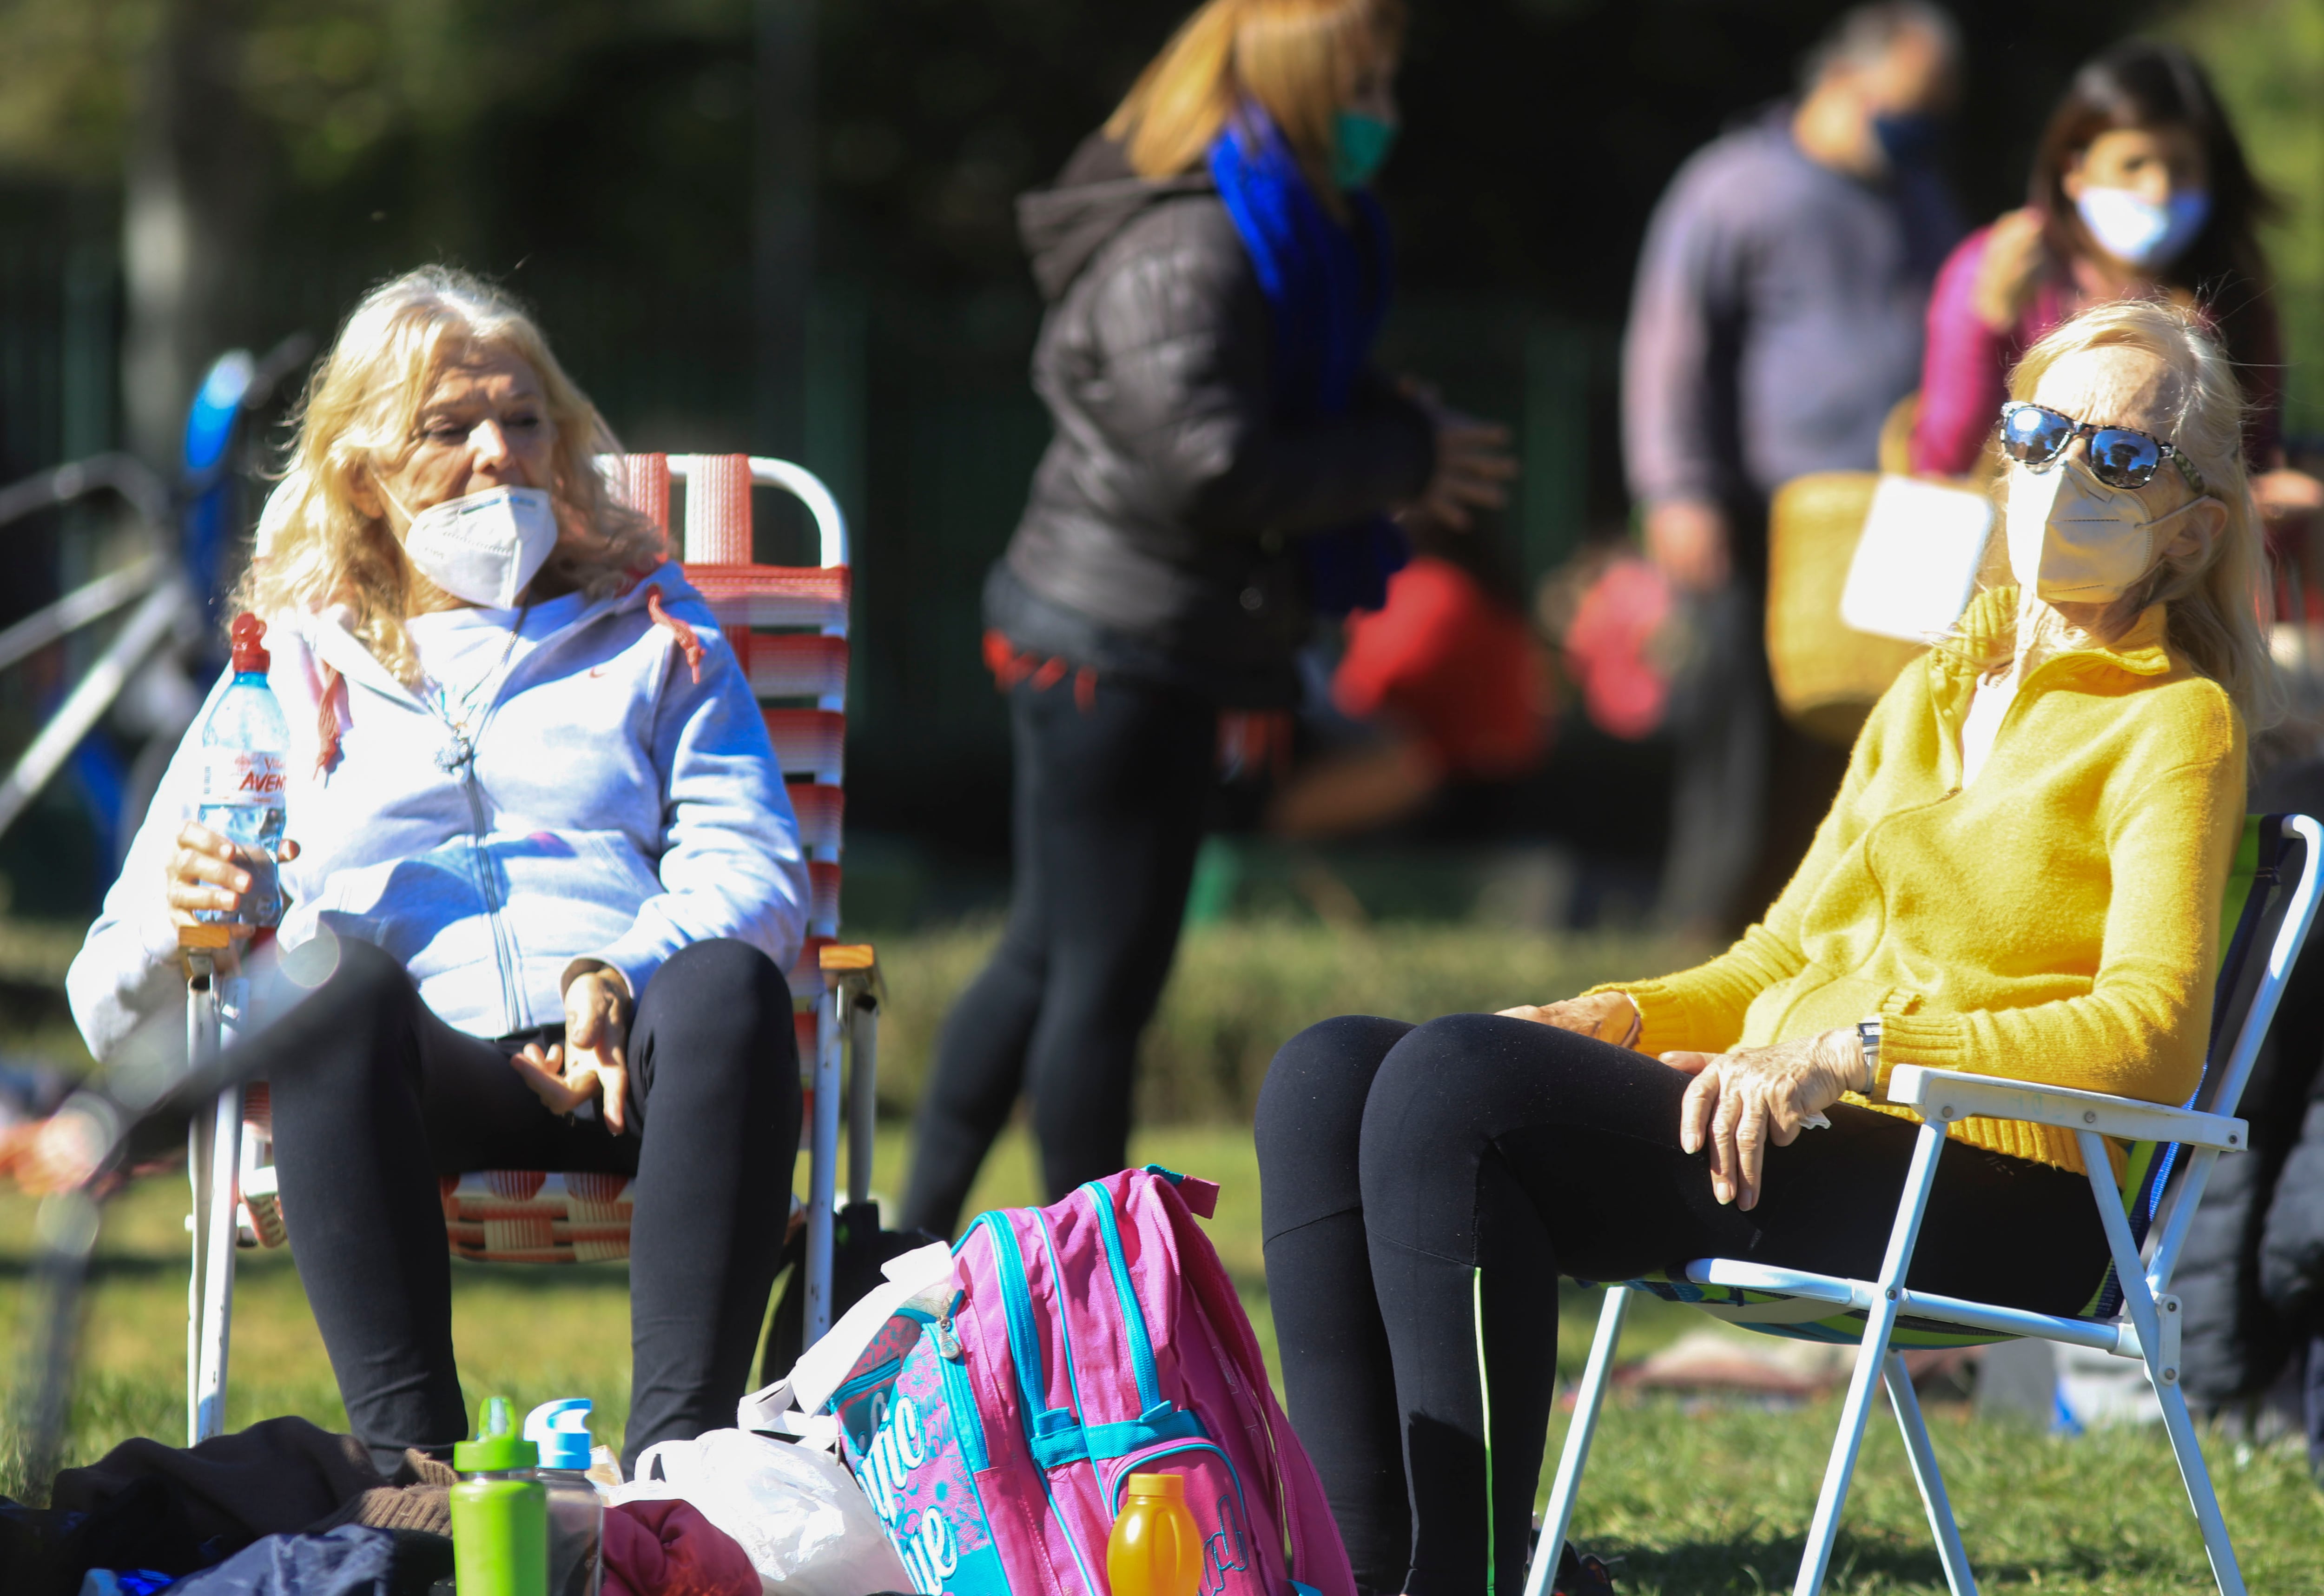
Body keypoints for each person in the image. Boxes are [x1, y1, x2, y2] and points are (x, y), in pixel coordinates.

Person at [1257, 299, 2269, 1595]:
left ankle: (1473, 1577)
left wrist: (1855, 1053)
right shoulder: (1936, 687)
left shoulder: (2176, 723)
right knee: (1329, 1072)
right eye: (2037, 431)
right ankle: (1356, 1570)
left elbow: (2152, 1037)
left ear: (2191, 531)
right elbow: (1780, 950)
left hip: (1994, 1184)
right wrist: (1617, 1012)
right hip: (1800, 1130)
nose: (2063, 471)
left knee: (1454, 1085)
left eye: (2120, 456)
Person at [64, 268, 808, 1477]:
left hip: (636, 1068)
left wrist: (620, 970)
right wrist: (178, 918)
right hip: (411, 1081)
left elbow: (757, 863)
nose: (498, 454)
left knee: (728, 981)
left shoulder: (654, 631)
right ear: (364, 472)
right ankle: (412, 1475)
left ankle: (684, 1478)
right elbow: (104, 1002)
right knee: (329, 984)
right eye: (448, 427)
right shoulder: (285, 673)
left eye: (523, 420)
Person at [899, 0, 1514, 1237]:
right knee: (1102, 978)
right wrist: (1396, 455)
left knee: (1050, 951)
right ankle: (1091, 1276)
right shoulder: (1196, 242)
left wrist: (1385, 425)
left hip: (1144, 631)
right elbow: (1210, 462)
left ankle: (907, 1239)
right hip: (1113, 644)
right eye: (1362, 85)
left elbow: (1251, 410)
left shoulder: (1267, 225)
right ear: (1295, 83)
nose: (1381, 115)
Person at [1623, 0, 1962, 936]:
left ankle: (1805, 957)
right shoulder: (1735, 186)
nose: (1924, 125)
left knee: (1856, 764)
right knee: (1739, 765)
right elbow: (1671, 347)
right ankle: (1694, 955)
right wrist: (1676, 488)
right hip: (1758, 520)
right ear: (1845, 80)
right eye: (1911, 102)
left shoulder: (1920, 197)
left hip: (1894, 524)